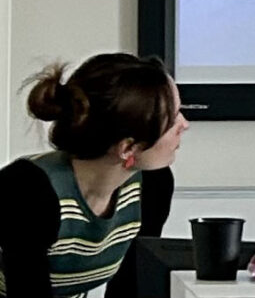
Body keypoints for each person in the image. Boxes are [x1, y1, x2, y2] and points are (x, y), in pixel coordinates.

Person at [0, 53, 189, 298]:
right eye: (172, 119)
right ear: (127, 148)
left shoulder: (153, 184)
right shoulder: (27, 191)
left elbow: (131, 287)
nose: (184, 125)